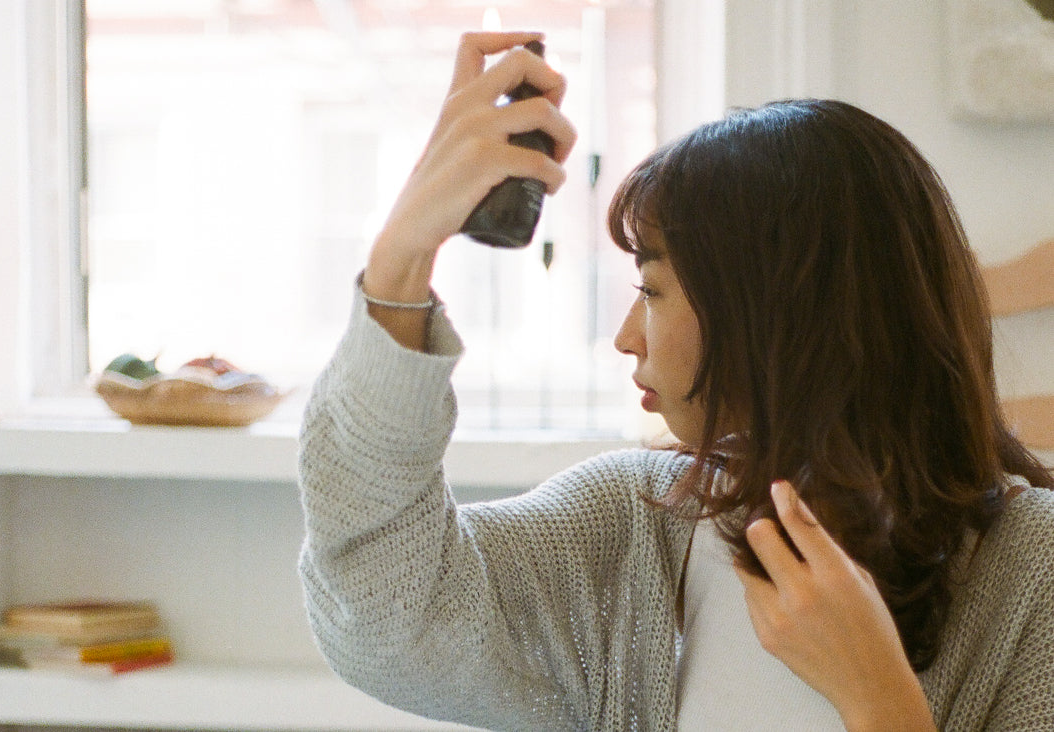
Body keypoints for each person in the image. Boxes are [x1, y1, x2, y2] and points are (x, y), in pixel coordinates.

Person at [297, 31, 1054, 731]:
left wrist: (878, 694)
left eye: (651, 291)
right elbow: (381, 608)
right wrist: (404, 251)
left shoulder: (1033, 574)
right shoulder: (633, 529)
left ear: (777, 315)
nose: (625, 338)